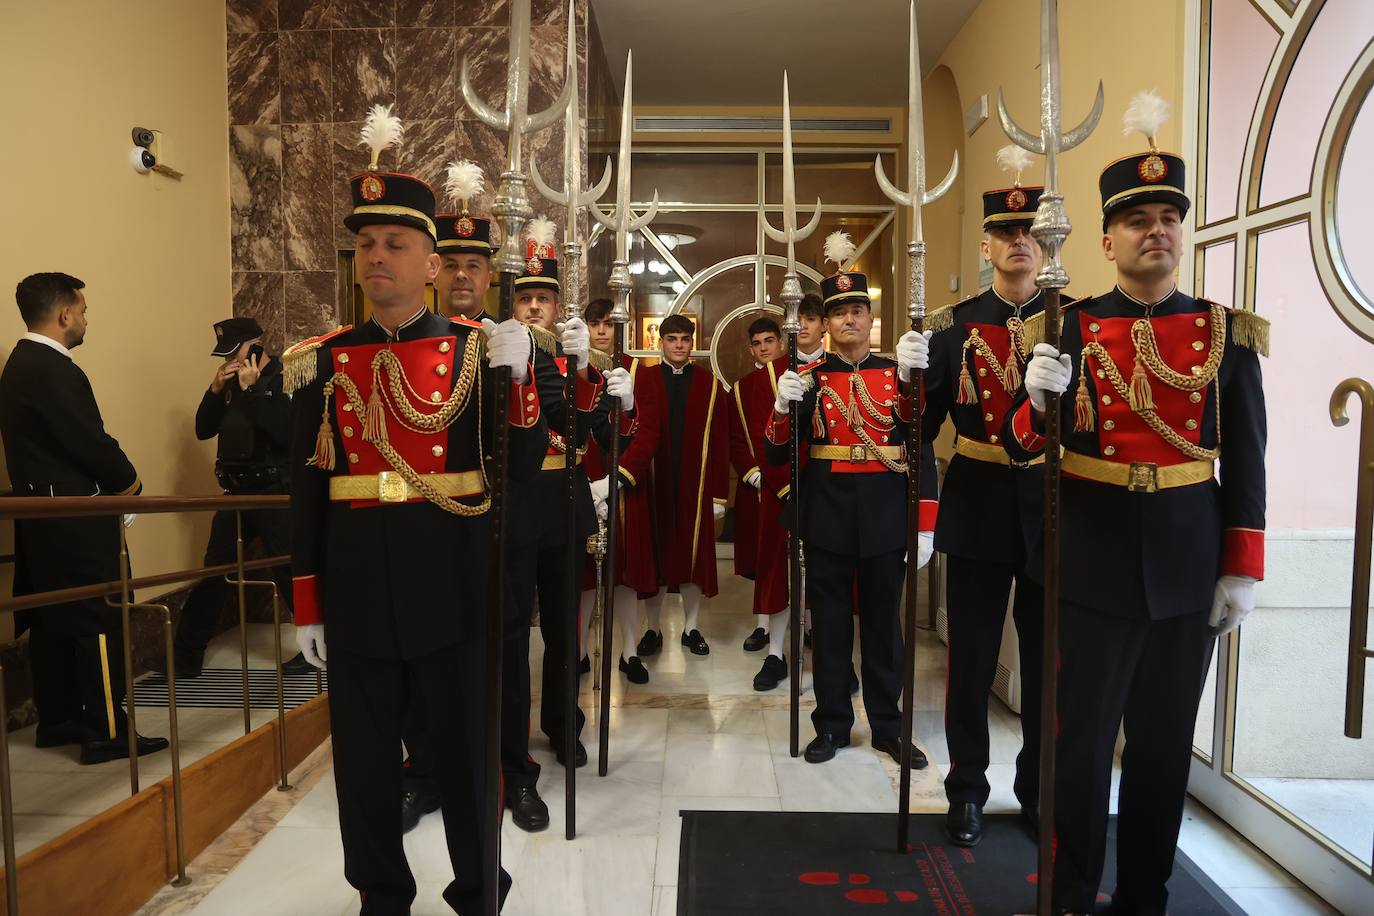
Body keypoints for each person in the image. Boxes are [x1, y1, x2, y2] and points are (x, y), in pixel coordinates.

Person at [1005, 92, 1267, 915]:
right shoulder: (1066, 327)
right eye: (1138, 219)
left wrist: (1242, 568)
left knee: (1163, 746)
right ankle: (1071, 890)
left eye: (1169, 218)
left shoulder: (1227, 332)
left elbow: (1249, 458)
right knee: (1080, 743)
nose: (1157, 230)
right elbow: (1019, 444)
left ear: (1181, 234)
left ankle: (1145, 894)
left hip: (1188, 562)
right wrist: (1036, 398)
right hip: (1090, 559)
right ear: (1107, 239)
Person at [286, 108, 544, 915]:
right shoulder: (325, 361)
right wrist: (307, 600)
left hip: (453, 586)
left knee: (466, 756)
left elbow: (521, 471)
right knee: (364, 767)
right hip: (359, 589)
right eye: (366, 243)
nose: (376, 256)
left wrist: (519, 382)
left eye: (394, 243)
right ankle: (380, 896)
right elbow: (308, 489)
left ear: (431, 265)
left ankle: (478, 890)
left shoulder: (475, 351)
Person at [921, 147, 1051, 846]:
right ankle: (967, 789)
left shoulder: (1073, 321)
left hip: (1054, 511)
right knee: (970, 662)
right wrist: (908, 381)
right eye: (1006, 231)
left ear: (1047, 241)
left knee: (1048, 663)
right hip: (976, 505)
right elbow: (918, 430)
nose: (1019, 241)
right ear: (986, 245)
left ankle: (1038, 788)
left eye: (1030, 230)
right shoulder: (953, 327)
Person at [767, 232, 935, 766]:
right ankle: (832, 724)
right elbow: (778, 454)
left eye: (856, 310)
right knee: (831, 627)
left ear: (870, 317)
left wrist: (924, 524)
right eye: (838, 312)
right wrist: (782, 409)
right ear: (826, 323)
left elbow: (920, 446)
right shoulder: (809, 379)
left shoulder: (897, 373)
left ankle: (888, 726)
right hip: (827, 515)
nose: (848, 320)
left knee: (885, 628)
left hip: (886, 514)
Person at [497, 218, 635, 832]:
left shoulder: (580, 360)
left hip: (564, 503)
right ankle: (509, 742)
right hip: (512, 505)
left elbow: (606, 431)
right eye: (525, 297)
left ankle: (562, 724)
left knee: (563, 629)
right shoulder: (497, 354)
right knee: (509, 633)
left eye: (543, 299)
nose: (533, 307)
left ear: (557, 307)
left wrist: (616, 395)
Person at [0, 272, 169, 764]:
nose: (86, 320)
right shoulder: (53, 368)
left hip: (44, 518)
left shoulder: (20, 364)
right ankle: (106, 730)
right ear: (64, 314)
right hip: (75, 519)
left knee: (55, 619)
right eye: (83, 311)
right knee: (99, 618)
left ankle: (60, 719)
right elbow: (89, 442)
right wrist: (130, 486)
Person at [162, 317, 310, 677]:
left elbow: (284, 432)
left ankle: (317, 648)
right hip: (235, 493)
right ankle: (185, 657)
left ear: (255, 345)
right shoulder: (229, 383)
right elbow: (203, 429)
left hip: (273, 493)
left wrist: (254, 390)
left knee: (290, 571)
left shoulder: (285, 378)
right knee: (216, 572)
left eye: (235, 352)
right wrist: (215, 390)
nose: (231, 360)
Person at [732, 295, 827, 690]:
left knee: (827, 574)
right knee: (777, 572)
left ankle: (830, 655)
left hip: (829, 492)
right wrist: (786, 486)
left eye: (810, 318)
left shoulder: (837, 368)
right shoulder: (768, 376)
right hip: (781, 490)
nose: (801, 325)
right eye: (795, 318)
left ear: (823, 324)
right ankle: (776, 655)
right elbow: (762, 437)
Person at [632, 314, 728, 659]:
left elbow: (720, 441)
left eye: (685, 339)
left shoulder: (709, 384)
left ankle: (691, 628)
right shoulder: (644, 380)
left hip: (694, 484)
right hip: (654, 480)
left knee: (692, 557)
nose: (679, 345)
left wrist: (718, 495)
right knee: (656, 557)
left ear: (692, 343)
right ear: (661, 342)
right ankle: (653, 629)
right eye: (672, 339)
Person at [582, 298, 659, 685]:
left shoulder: (639, 372)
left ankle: (629, 651)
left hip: (624, 486)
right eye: (594, 323)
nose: (601, 331)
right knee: (583, 575)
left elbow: (648, 432)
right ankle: (579, 650)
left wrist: (615, 480)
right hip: (581, 481)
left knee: (624, 573)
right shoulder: (576, 367)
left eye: (608, 324)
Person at [728, 316, 782, 652]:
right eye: (757, 343)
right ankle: (763, 625)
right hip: (757, 485)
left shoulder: (797, 378)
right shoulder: (741, 388)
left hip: (793, 482)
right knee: (764, 557)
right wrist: (754, 474)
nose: (764, 348)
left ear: (781, 343)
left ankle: (808, 623)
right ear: (751, 349)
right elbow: (735, 439)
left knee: (801, 553)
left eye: (769, 341)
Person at [435, 159, 493, 323]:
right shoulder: (416, 336)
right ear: (434, 277)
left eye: (473, 266)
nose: (461, 275)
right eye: (450, 266)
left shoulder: (504, 335)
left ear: (488, 279)